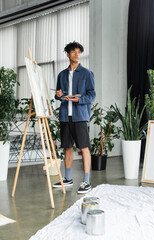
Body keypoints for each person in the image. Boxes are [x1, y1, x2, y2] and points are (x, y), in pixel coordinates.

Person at [53, 41, 96, 194]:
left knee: (84, 147)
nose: (77, 54)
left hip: (80, 116)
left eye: (79, 52)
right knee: (67, 147)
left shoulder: (87, 73)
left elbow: (92, 95)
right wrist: (58, 95)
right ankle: (68, 178)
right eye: (73, 52)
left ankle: (86, 181)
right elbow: (58, 95)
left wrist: (79, 99)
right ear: (68, 54)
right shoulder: (62, 75)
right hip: (65, 116)